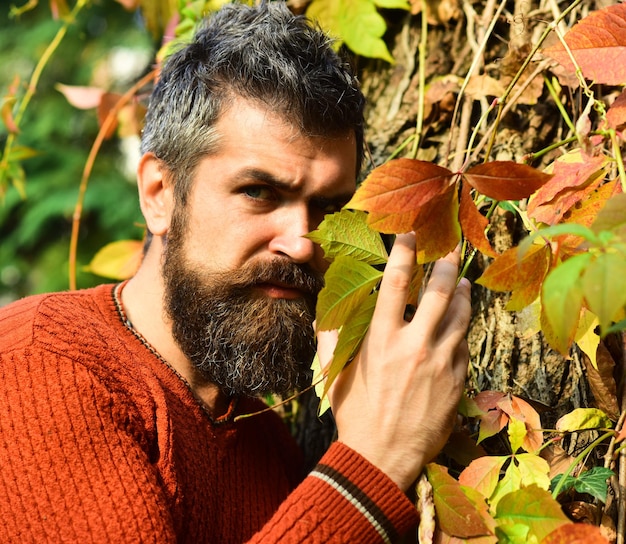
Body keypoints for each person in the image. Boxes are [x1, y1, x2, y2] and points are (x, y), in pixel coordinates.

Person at [0, 2, 471, 542]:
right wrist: (374, 463)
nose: (301, 242)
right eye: (259, 192)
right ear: (160, 193)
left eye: (329, 208)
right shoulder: (40, 369)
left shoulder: (268, 444)